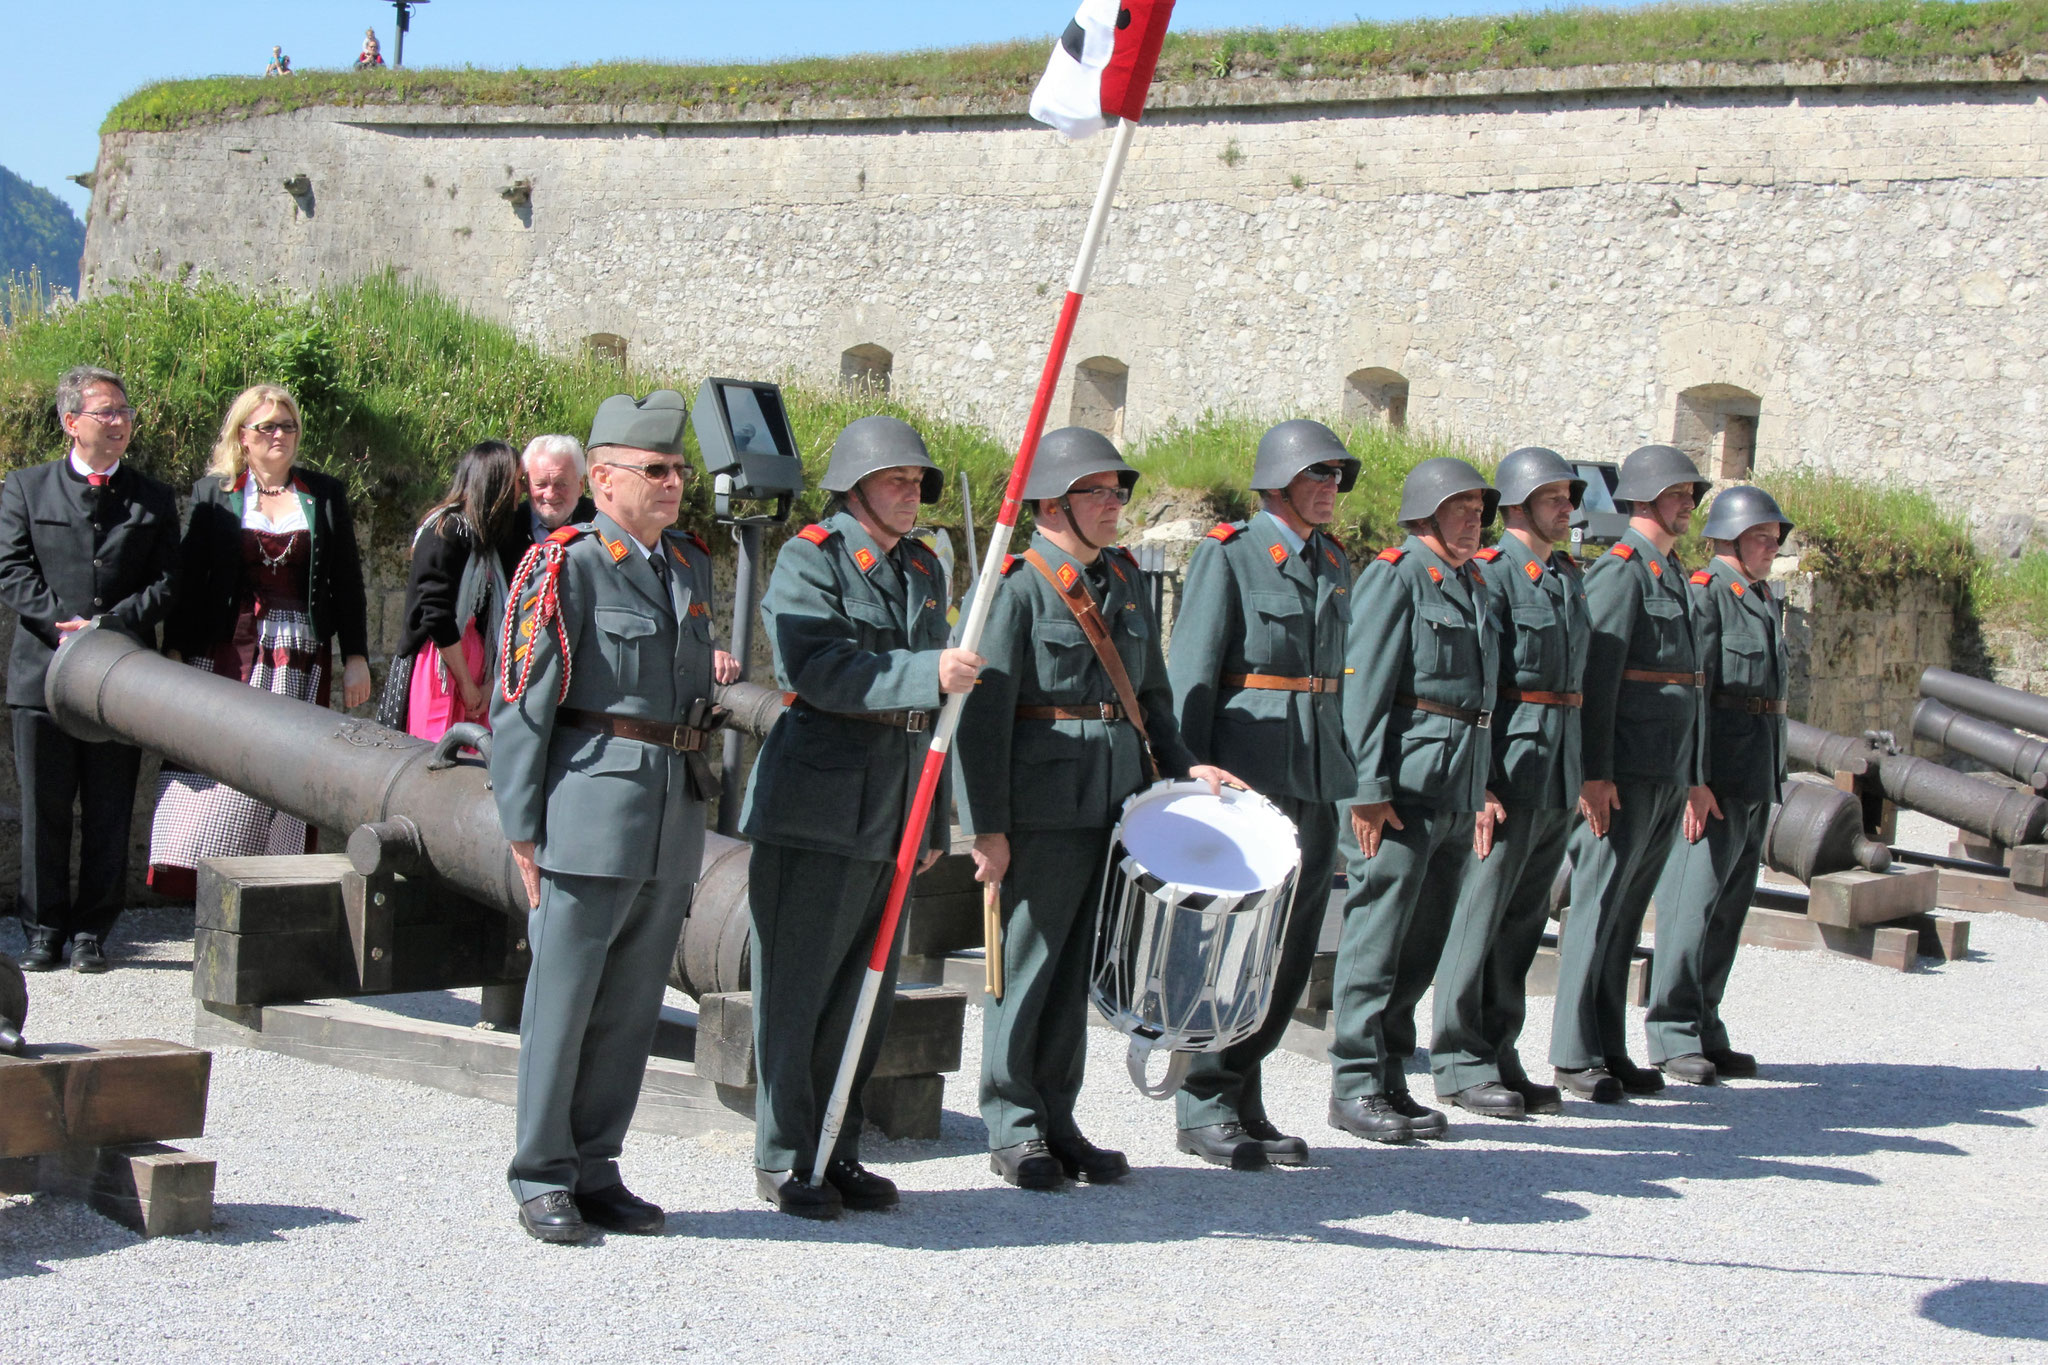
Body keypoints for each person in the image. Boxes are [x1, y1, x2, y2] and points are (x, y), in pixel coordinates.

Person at [956, 427, 1240, 1191]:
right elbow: (979, 723)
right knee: (1026, 964)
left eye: (1119, 492)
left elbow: (1149, 698)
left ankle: (1058, 1117)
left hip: (1115, 806)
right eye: (1099, 493)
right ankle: (1012, 1122)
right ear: (1054, 503)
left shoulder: (1124, 579)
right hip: (1041, 808)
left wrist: (1185, 768)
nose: (1116, 505)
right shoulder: (1013, 587)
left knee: (1080, 965)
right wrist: (986, 825)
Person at [490, 390, 726, 1244]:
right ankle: (541, 1171)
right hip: (589, 806)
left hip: (669, 813)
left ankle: (597, 1165)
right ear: (602, 478)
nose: (674, 483)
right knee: (564, 1000)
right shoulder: (563, 564)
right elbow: (521, 701)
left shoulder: (690, 567)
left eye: (679, 470)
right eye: (656, 470)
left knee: (630, 1004)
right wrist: (522, 825)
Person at [739, 416, 979, 1219]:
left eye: (919, 481)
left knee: (865, 994)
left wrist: (936, 819)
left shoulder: (922, 566)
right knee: (799, 991)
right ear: (856, 485)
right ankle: (785, 1156)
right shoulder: (814, 556)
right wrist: (926, 669)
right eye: (897, 480)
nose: (912, 493)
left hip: (894, 807)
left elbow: (931, 723)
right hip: (819, 805)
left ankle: (836, 1146)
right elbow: (821, 668)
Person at [1165, 419, 1358, 1170]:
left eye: (1336, 478)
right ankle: (1204, 1100)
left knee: (1289, 951)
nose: (1330, 489)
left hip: (1313, 781)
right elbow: (1193, 676)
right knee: (1234, 945)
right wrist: (1191, 774)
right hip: (1248, 785)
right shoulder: (1233, 554)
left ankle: (1245, 1092)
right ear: (1278, 480)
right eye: (1317, 475)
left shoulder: (1331, 561)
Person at [1327, 458, 1501, 1144]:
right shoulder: (1396, 575)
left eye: (1479, 507)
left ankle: (1391, 1074)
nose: (1473, 516)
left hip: (1455, 790)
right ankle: (1354, 1082)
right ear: (1426, 509)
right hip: (1400, 792)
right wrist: (1366, 790)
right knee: (1377, 940)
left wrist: (1481, 780)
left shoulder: (1473, 580)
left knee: (1421, 945)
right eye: (1459, 505)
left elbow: (1478, 698)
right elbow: (1364, 685)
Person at [149, 385, 370, 901]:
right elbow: (192, 579)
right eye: (267, 426)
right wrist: (176, 651)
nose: (279, 436)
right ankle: (208, 878)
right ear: (242, 436)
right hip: (227, 652)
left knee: (284, 772)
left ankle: (274, 889)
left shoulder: (325, 493)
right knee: (216, 766)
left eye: (287, 426)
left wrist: (355, 656)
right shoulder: (215, 493)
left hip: (299, 658)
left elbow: (347, 580)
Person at [1428, 447, 1589, 1119]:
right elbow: (1480, 683)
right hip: (1509, 765)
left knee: (1524, 920)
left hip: (1554, 769)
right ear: (1518, 504)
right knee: (1480, 915)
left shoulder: (1566, 577)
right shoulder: (1494, 578)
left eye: (1568, 495)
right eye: (1552, 496)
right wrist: (1483, 781)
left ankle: (1499, 1046)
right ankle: (1459, 1058)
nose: (1566, 506)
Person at [0, 366, 178, 973]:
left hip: (119, 680)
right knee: (44, 810)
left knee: (108, 809)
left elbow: (167, 581)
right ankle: (43, 928)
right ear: (71, 422)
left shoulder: (152, 497)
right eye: (106, 411)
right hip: (40, 678)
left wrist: (111, 627)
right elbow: (13, 571)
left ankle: (92, 932)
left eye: (125, 410)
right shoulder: (26, 488)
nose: (121, 420)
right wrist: (64, 625)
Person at [1549, 444, 1712, 1102]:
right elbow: (1599, 678)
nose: (1687, 503)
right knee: (1594, 907)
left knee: (1625, 914)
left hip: (1663, 770)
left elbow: (1687, 683)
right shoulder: (1622, 573)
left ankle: (1608, 1043)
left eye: (1691, 493)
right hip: (1624, 771)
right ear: (1643, 495)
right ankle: (1571, 1051)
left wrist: (1692, 771)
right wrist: (1595, 771)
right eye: (1676, 492)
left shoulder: (1670, 572)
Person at [1645, 485, 1792, 1084]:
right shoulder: (1708, 596)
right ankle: (1672, 1030)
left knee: (1729, 909)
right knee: (1691, 906)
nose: (1772, 546)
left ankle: (1706, 1020)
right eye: (1761, 536)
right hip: (1717, 776)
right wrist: (1695, 779)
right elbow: (1695, 693)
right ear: (1728, 538)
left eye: (1775, 538)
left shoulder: (1759, 599)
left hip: (1753, 772)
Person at [396, 440, 522, 741]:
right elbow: (435, 613)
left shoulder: (486, 541)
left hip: (475, 666)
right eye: (518, 480)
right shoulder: (445, 530)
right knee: (433, 749)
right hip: (442, 666)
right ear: (497, 482)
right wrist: (466, 683)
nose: (523, 490)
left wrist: (487, 685)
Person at [503, 435, 596, 580]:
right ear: (526, 484)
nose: (550, 495)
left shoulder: (599, 523)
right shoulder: (508, 528)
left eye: (561, 484)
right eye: (541, 484)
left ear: (580, 486)